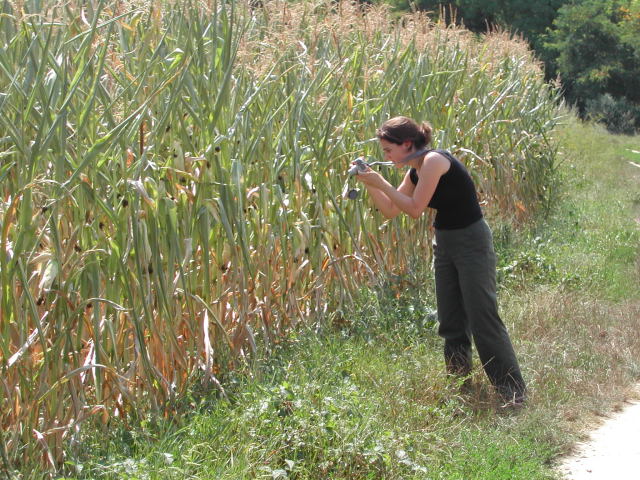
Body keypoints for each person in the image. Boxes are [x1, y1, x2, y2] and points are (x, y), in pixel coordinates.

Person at [353, 115, 526, 407]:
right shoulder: (414, 171)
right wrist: (368, 181)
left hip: (472, 242)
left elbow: (414, 208)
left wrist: (380, 181)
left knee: (482, 318)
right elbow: (390, 209)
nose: (387, 156)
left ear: (408, 144)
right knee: (451, 321)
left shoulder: (434, 161)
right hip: (444, 243)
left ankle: (512, 392)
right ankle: (461, 390)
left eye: (389, 150)